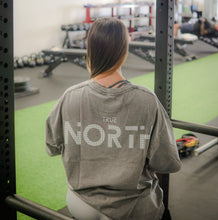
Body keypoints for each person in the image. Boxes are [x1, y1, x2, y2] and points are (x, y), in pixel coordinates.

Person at [45, 17, 182, 220]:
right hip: (136, 207)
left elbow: (52, 146)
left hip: (82, 206)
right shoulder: (146, 100)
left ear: (89, 50)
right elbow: (167, 163)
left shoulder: (69, 97)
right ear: (124, 52)